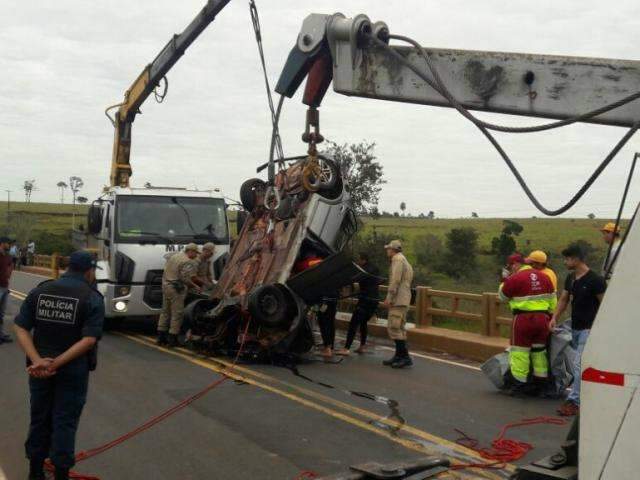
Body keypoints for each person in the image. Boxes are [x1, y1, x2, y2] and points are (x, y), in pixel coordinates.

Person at [13, 251, 104, 480]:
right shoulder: (91, 296)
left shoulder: (40, 290)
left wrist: (38, 361)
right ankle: (61, 473)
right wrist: (57, 363)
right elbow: (89, 339)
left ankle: (35, 472)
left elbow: (21, 327)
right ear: (89, 271)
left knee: (40, 416)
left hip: (39, 370)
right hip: (72, 370)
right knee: (65, 421)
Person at [551, 244, 606, 417]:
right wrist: (554, 317)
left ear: (576, 259)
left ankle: (574, 401)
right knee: (580, 366)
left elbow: (605, 305)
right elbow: (564, 299)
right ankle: (586, 396)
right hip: (575, 327)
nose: (565, 261)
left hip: (589, 329)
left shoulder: (595, 280)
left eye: (567, 258)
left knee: (579, 365)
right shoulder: (571, 278)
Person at [499, 253, 556, 395]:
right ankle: (541, 386)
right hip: (543, 319)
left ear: (515, 265)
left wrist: (504, 279)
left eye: (510, 266)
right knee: (539, 352)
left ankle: (519, 385)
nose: (510, 269)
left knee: (520, 352)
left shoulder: (515, 278)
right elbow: (553, 302)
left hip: (523, 319)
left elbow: (502, 297)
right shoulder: (545, 277)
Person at [336, 253, 381, 355]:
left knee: (353, 323)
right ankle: (362, 346)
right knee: (363, 323)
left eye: (358, 260)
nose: (357, 263)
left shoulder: (363, 270)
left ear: (363, 260)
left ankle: (346, 348)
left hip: (365, 299)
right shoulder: (375, 268)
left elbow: (353, 278)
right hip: (375, 300)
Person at [157, 243, 200, 348]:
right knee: (177, 314)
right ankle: (173, 339)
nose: (196, 255)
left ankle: (161, 337)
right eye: (195, 253)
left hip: (166, 285)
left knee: (165, 312)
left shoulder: (174, 256)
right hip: (176, 289)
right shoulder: (187, 261)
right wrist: (195, 286)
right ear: (191, 251)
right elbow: (185, 278)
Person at [382, 240, 414, 369]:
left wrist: (389, 297)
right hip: (404, 298)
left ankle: (405, 357)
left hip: (398, 299)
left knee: (394, 328)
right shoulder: (404, 259)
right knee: (399, 328)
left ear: (393, 250)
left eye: (388, 249)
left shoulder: (397, 259)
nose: (387, 251)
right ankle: (399, 356)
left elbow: (395, 280)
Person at [0, 236, 15, 344]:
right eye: (8, 243)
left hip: (5, 287)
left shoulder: (8, 256)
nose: (10, 245)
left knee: (1, 313)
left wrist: (9, 273)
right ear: (2, 243)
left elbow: (10, 266)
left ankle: (1, 334)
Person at [317, 292, 339, 358]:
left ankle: (327, 349)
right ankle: (330, 346)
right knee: (330, 324)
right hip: (334, 300)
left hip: (325, 301)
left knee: (324, 324)